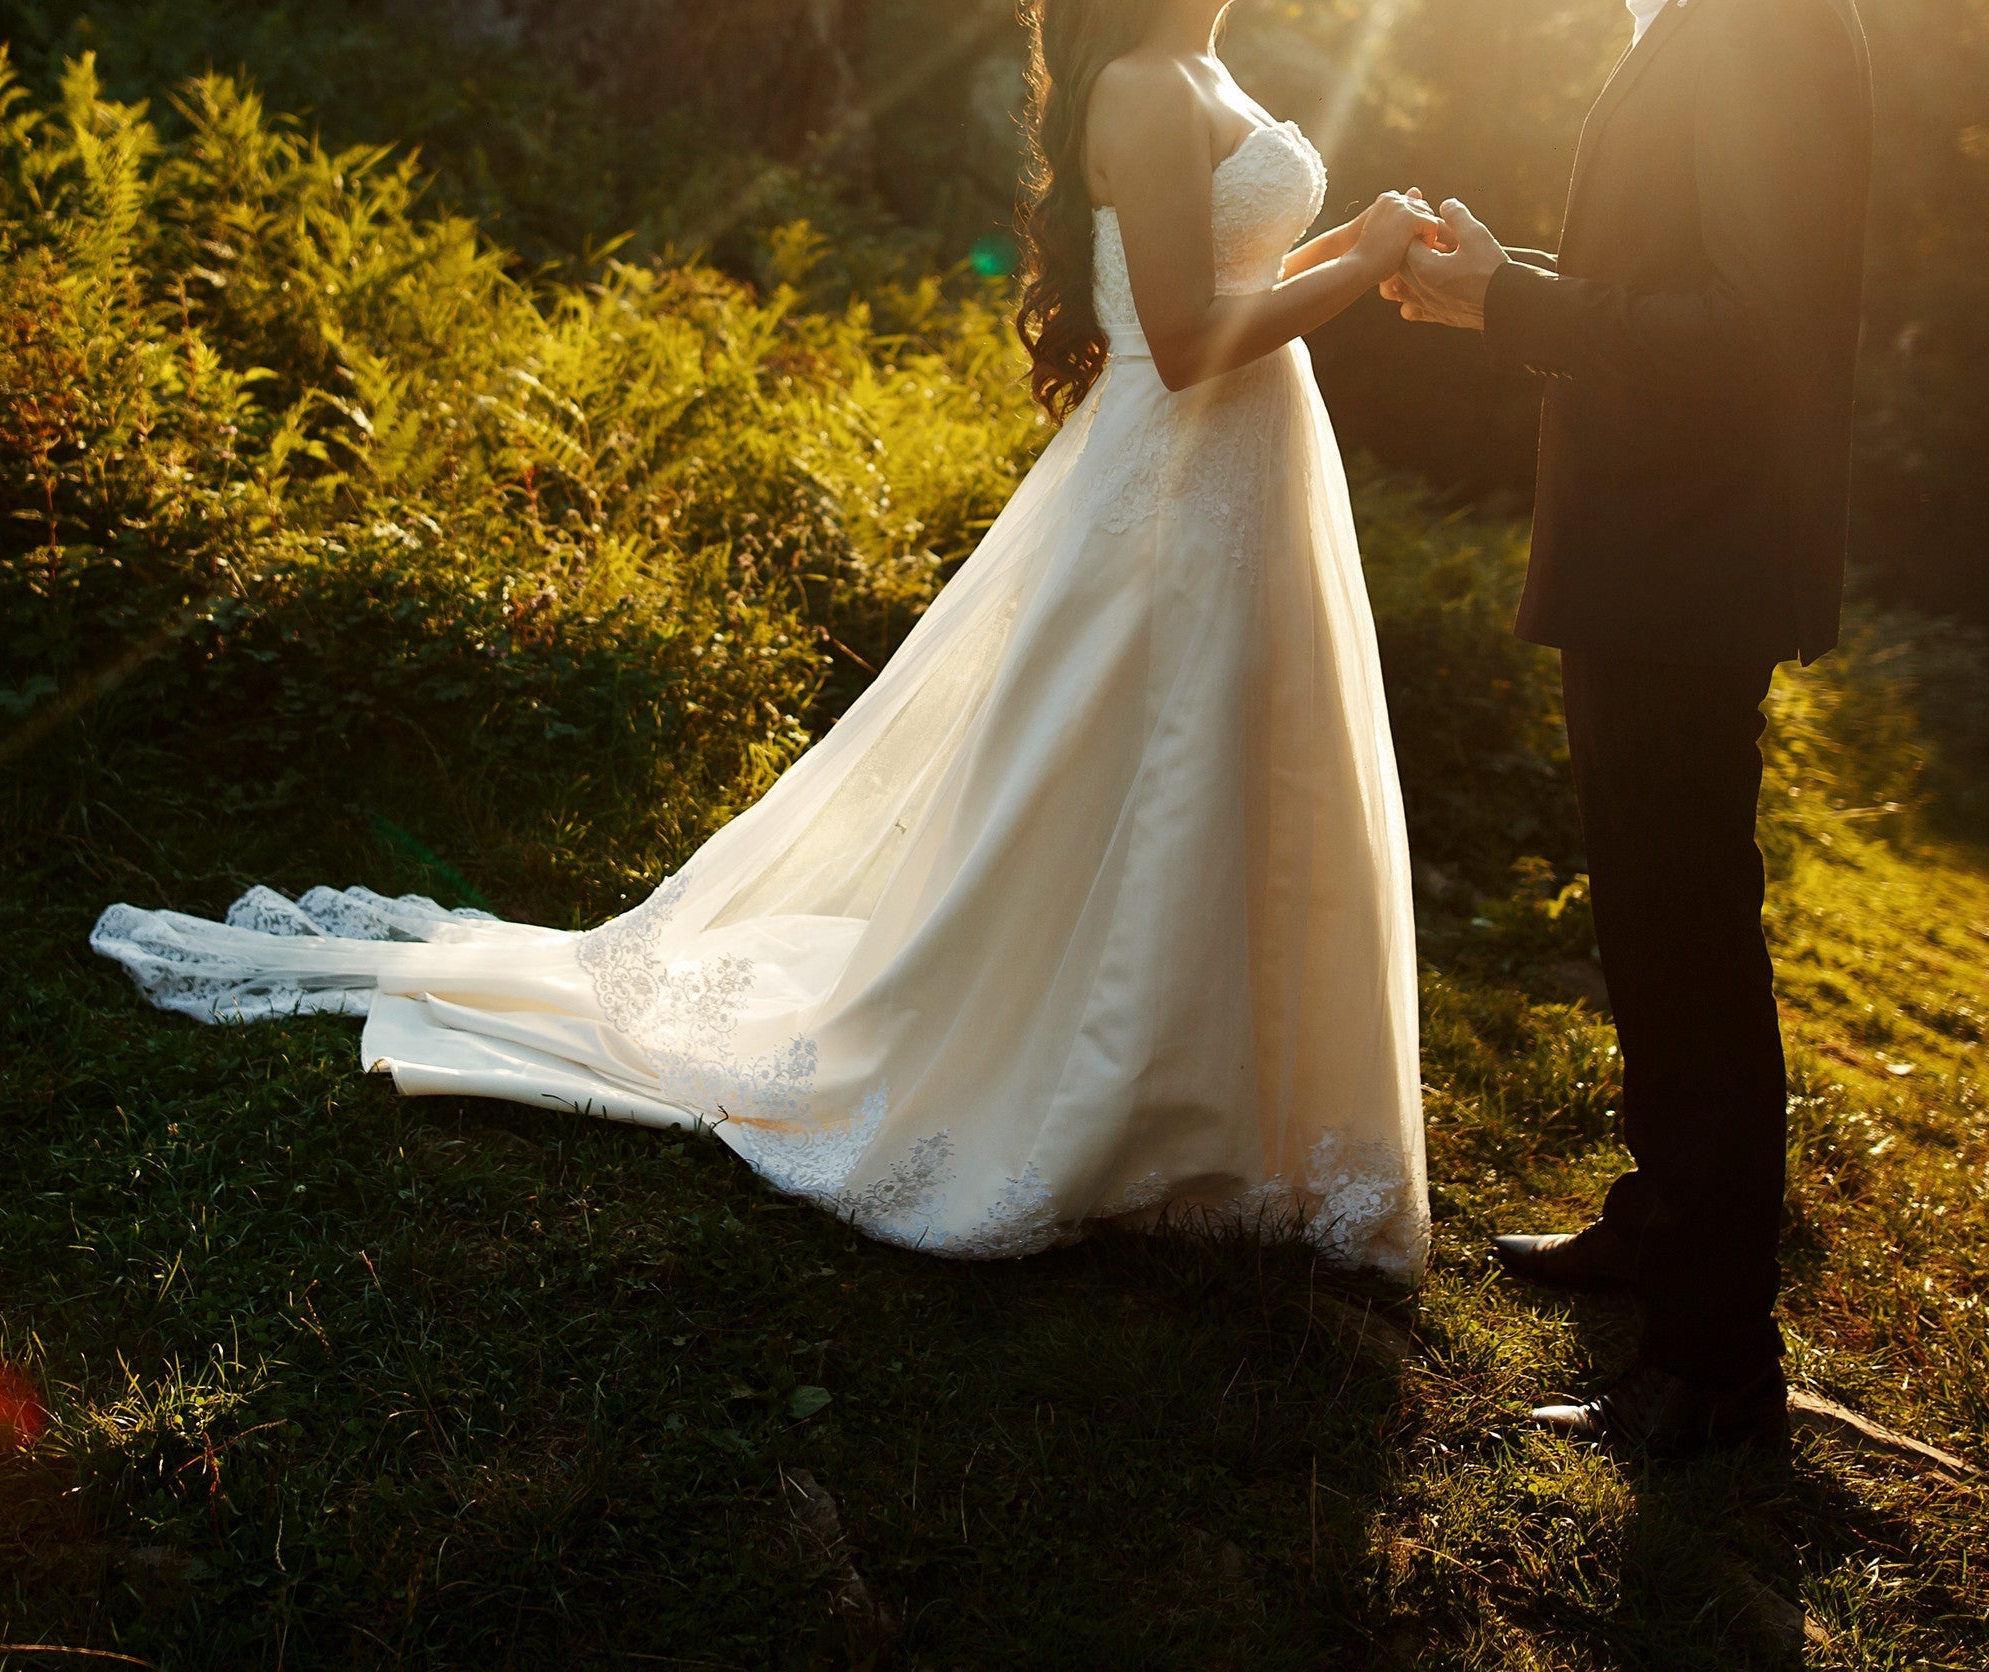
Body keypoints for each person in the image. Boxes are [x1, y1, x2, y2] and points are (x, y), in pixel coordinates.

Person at [94, 0, 1441, 1277]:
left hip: (1254, 476)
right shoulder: (1149, 88)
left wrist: (1349, 245)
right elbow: (1191, 341)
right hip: (1176, 492)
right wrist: (1368, 265)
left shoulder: (1204, 63)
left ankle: (1218, 1118)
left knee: (1235, 778)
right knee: (1140, 779)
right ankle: (1118, 1106)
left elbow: (1228, 274)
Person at [1383, 0, 1874, 1454]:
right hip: (1653, 557)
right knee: (1655, 927)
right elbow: (1673, 281)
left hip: (1691, 563)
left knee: (1691, 942)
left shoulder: (1766, 27)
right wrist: (1506, 283)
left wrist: (1512, 300)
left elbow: (1749, 334)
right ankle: (1664, 1226)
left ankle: (1717, 1369)